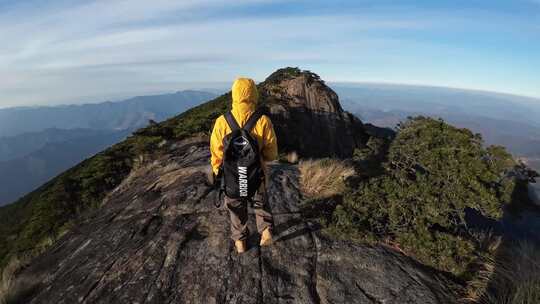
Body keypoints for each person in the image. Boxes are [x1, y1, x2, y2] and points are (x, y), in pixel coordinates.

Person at [210, 78, 278, 254]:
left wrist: (220, 173)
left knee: (236, 208)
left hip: (232, 177)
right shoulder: (263, 120)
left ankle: (240, 241)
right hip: (256, 174)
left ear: (234, 95)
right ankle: (266, 231)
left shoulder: (221, 122)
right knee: (260, 203)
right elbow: (271, 153)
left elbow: (216, 154)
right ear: (254, 94)